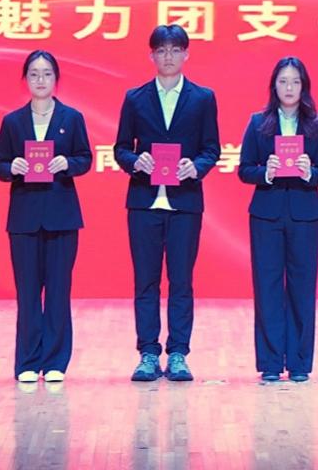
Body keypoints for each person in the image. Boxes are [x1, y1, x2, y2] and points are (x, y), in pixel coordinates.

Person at [114, 24, 220, 382]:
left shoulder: (202, 98)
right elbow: (121, 148)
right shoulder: (135, 98)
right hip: (144, 202)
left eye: (175, 50)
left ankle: (177, 353)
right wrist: (135, 161)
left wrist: (197, 166)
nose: (168, 56)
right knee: (145, 281)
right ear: (152, 56)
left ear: (186, 54)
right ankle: (147, 352)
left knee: (181, 281)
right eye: (161, 50)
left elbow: (211, 148)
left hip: (184, 202)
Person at [0, 50, 92, 383]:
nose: (40, 80)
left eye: (47, 73)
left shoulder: (72, 118)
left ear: (56, 78)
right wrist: (12, 167)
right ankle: (27, 362)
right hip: (24, 218)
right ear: (25, 79)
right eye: (34, 74)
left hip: (62, 217)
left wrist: (68, 163)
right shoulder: (13, 122)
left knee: (59, 291)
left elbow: (85, 158)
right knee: (28, 292)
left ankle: (55, 363)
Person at [237, 57, 318, 382]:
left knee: (302, 288)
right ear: (274, 86)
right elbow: (244, 170)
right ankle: (270, 362)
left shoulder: (317, 124)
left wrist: (309, 173)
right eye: (283, 81)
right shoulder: (258, 123)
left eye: (295, 81)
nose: (289, 88)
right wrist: (266, 172)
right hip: (266, 214)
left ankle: (300, 363)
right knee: (267, 288)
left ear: (303, 86)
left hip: (305, 215)